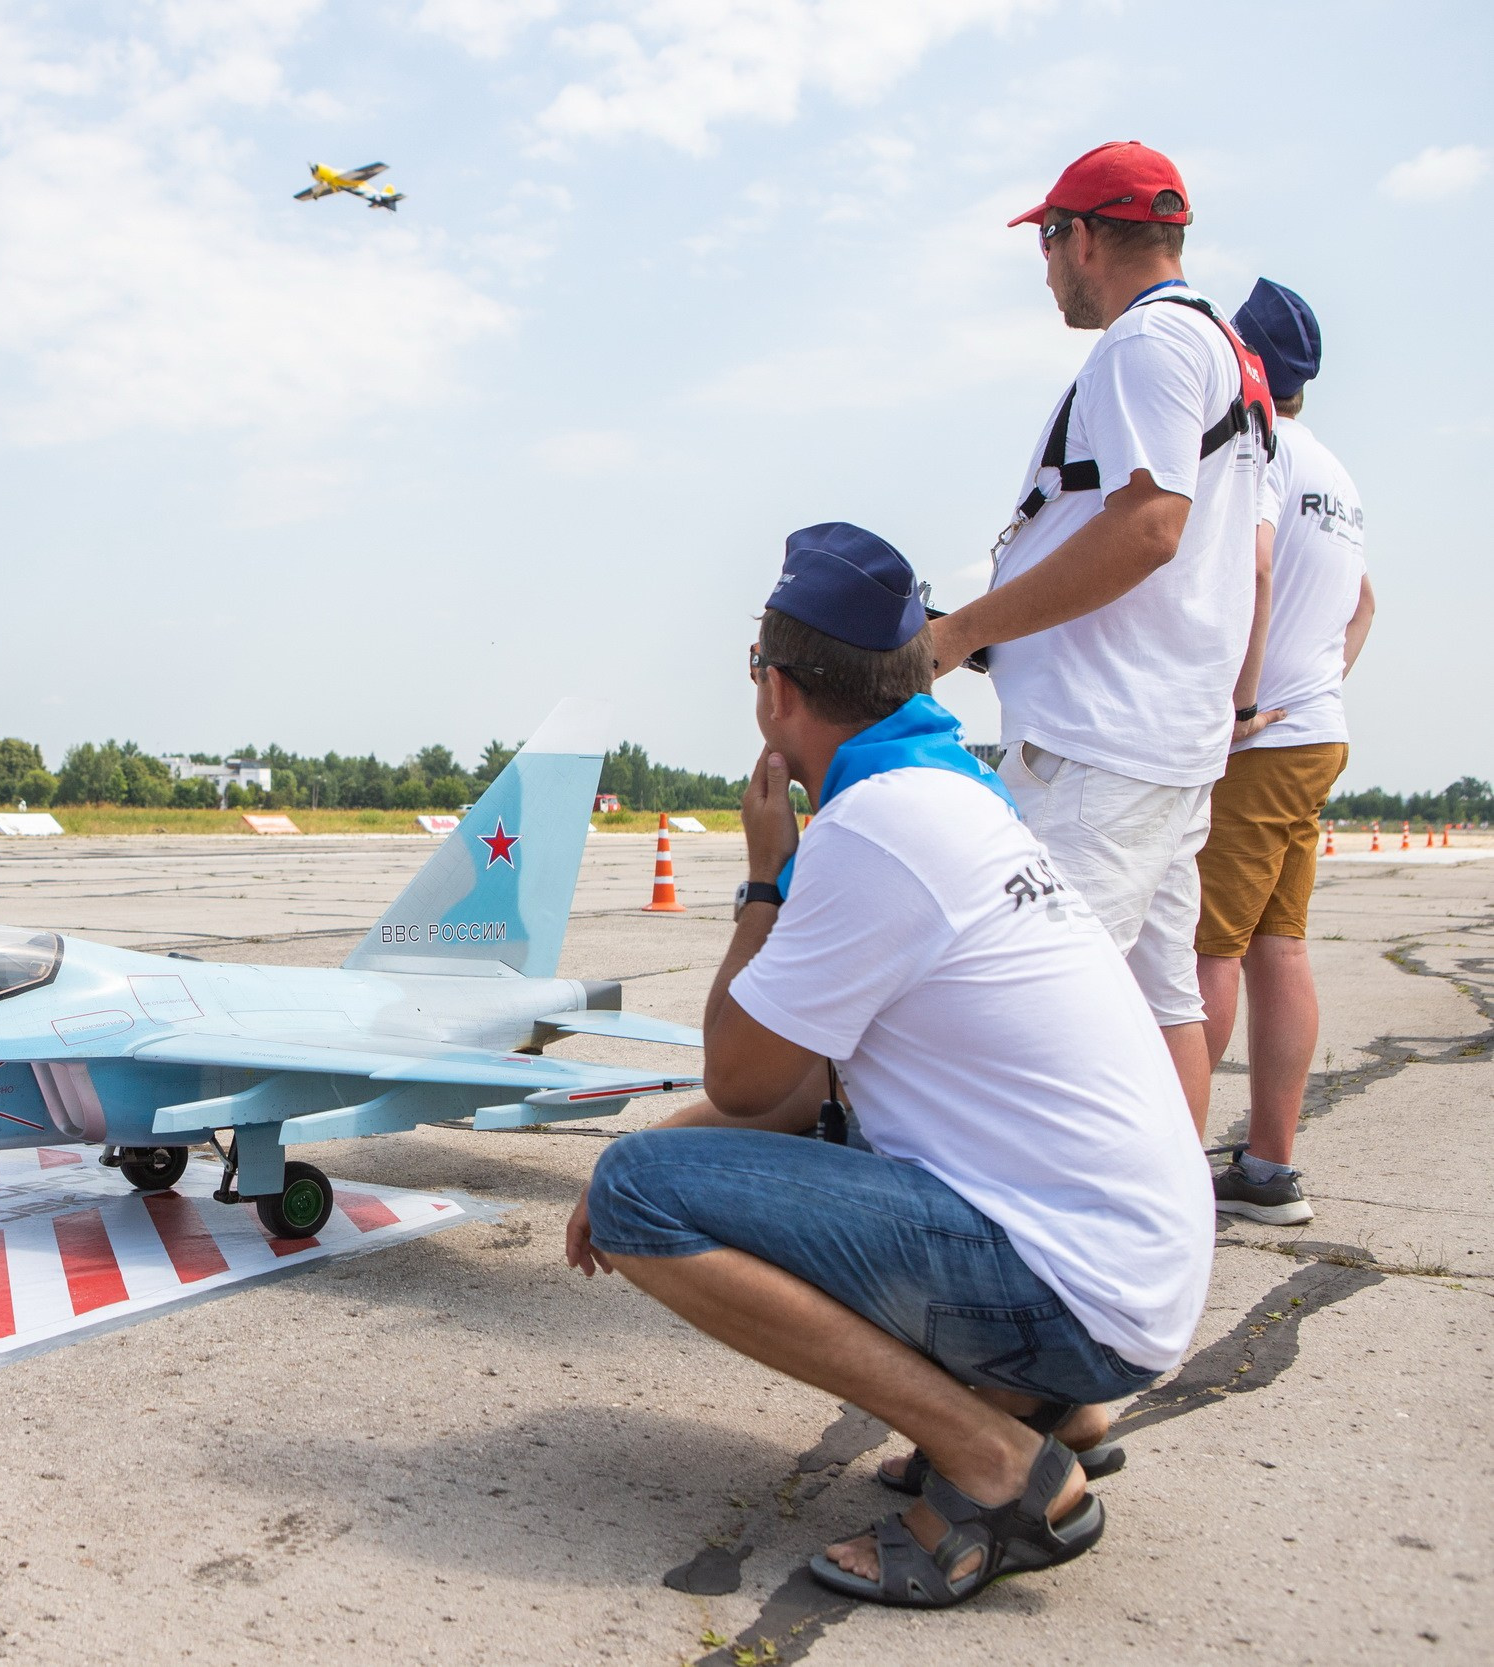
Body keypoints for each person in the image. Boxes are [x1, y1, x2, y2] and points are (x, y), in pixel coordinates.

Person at [567, 523, 1212, 1609]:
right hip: (1129, 1276)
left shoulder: (874, 825)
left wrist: (763, 881)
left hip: (1077, 1289)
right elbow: (812, 1089)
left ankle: (997, 1462)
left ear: (776, 691)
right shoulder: (955, 793)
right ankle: (1050, 1405)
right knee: (713, 1152)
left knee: (640, 1196)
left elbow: (741, 1077)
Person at [925, 142, 1271, 1138]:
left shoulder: (1143, 345)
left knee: (1024, 1008)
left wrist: (961, 633)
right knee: (1164, 1006)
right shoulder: (1225, 351)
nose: (1043, 270)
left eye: (1044, 242)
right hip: (1165, 736)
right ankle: (1169, 1243)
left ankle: (1027, 1255)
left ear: (1080, 236)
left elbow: (1150, 524)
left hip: (1102, 744)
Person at [1195, 280, 1374, 1225]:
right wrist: (1318, 682)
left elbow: (1256, 566)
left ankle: (1173, 1173)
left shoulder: (1259, 445)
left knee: (1207, 952)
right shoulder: (1339, 474)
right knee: (1280, 946)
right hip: (1321, 734)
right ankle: (1268, 1166)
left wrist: (1246, 700)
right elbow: (1366, 604)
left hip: (1265, 743)